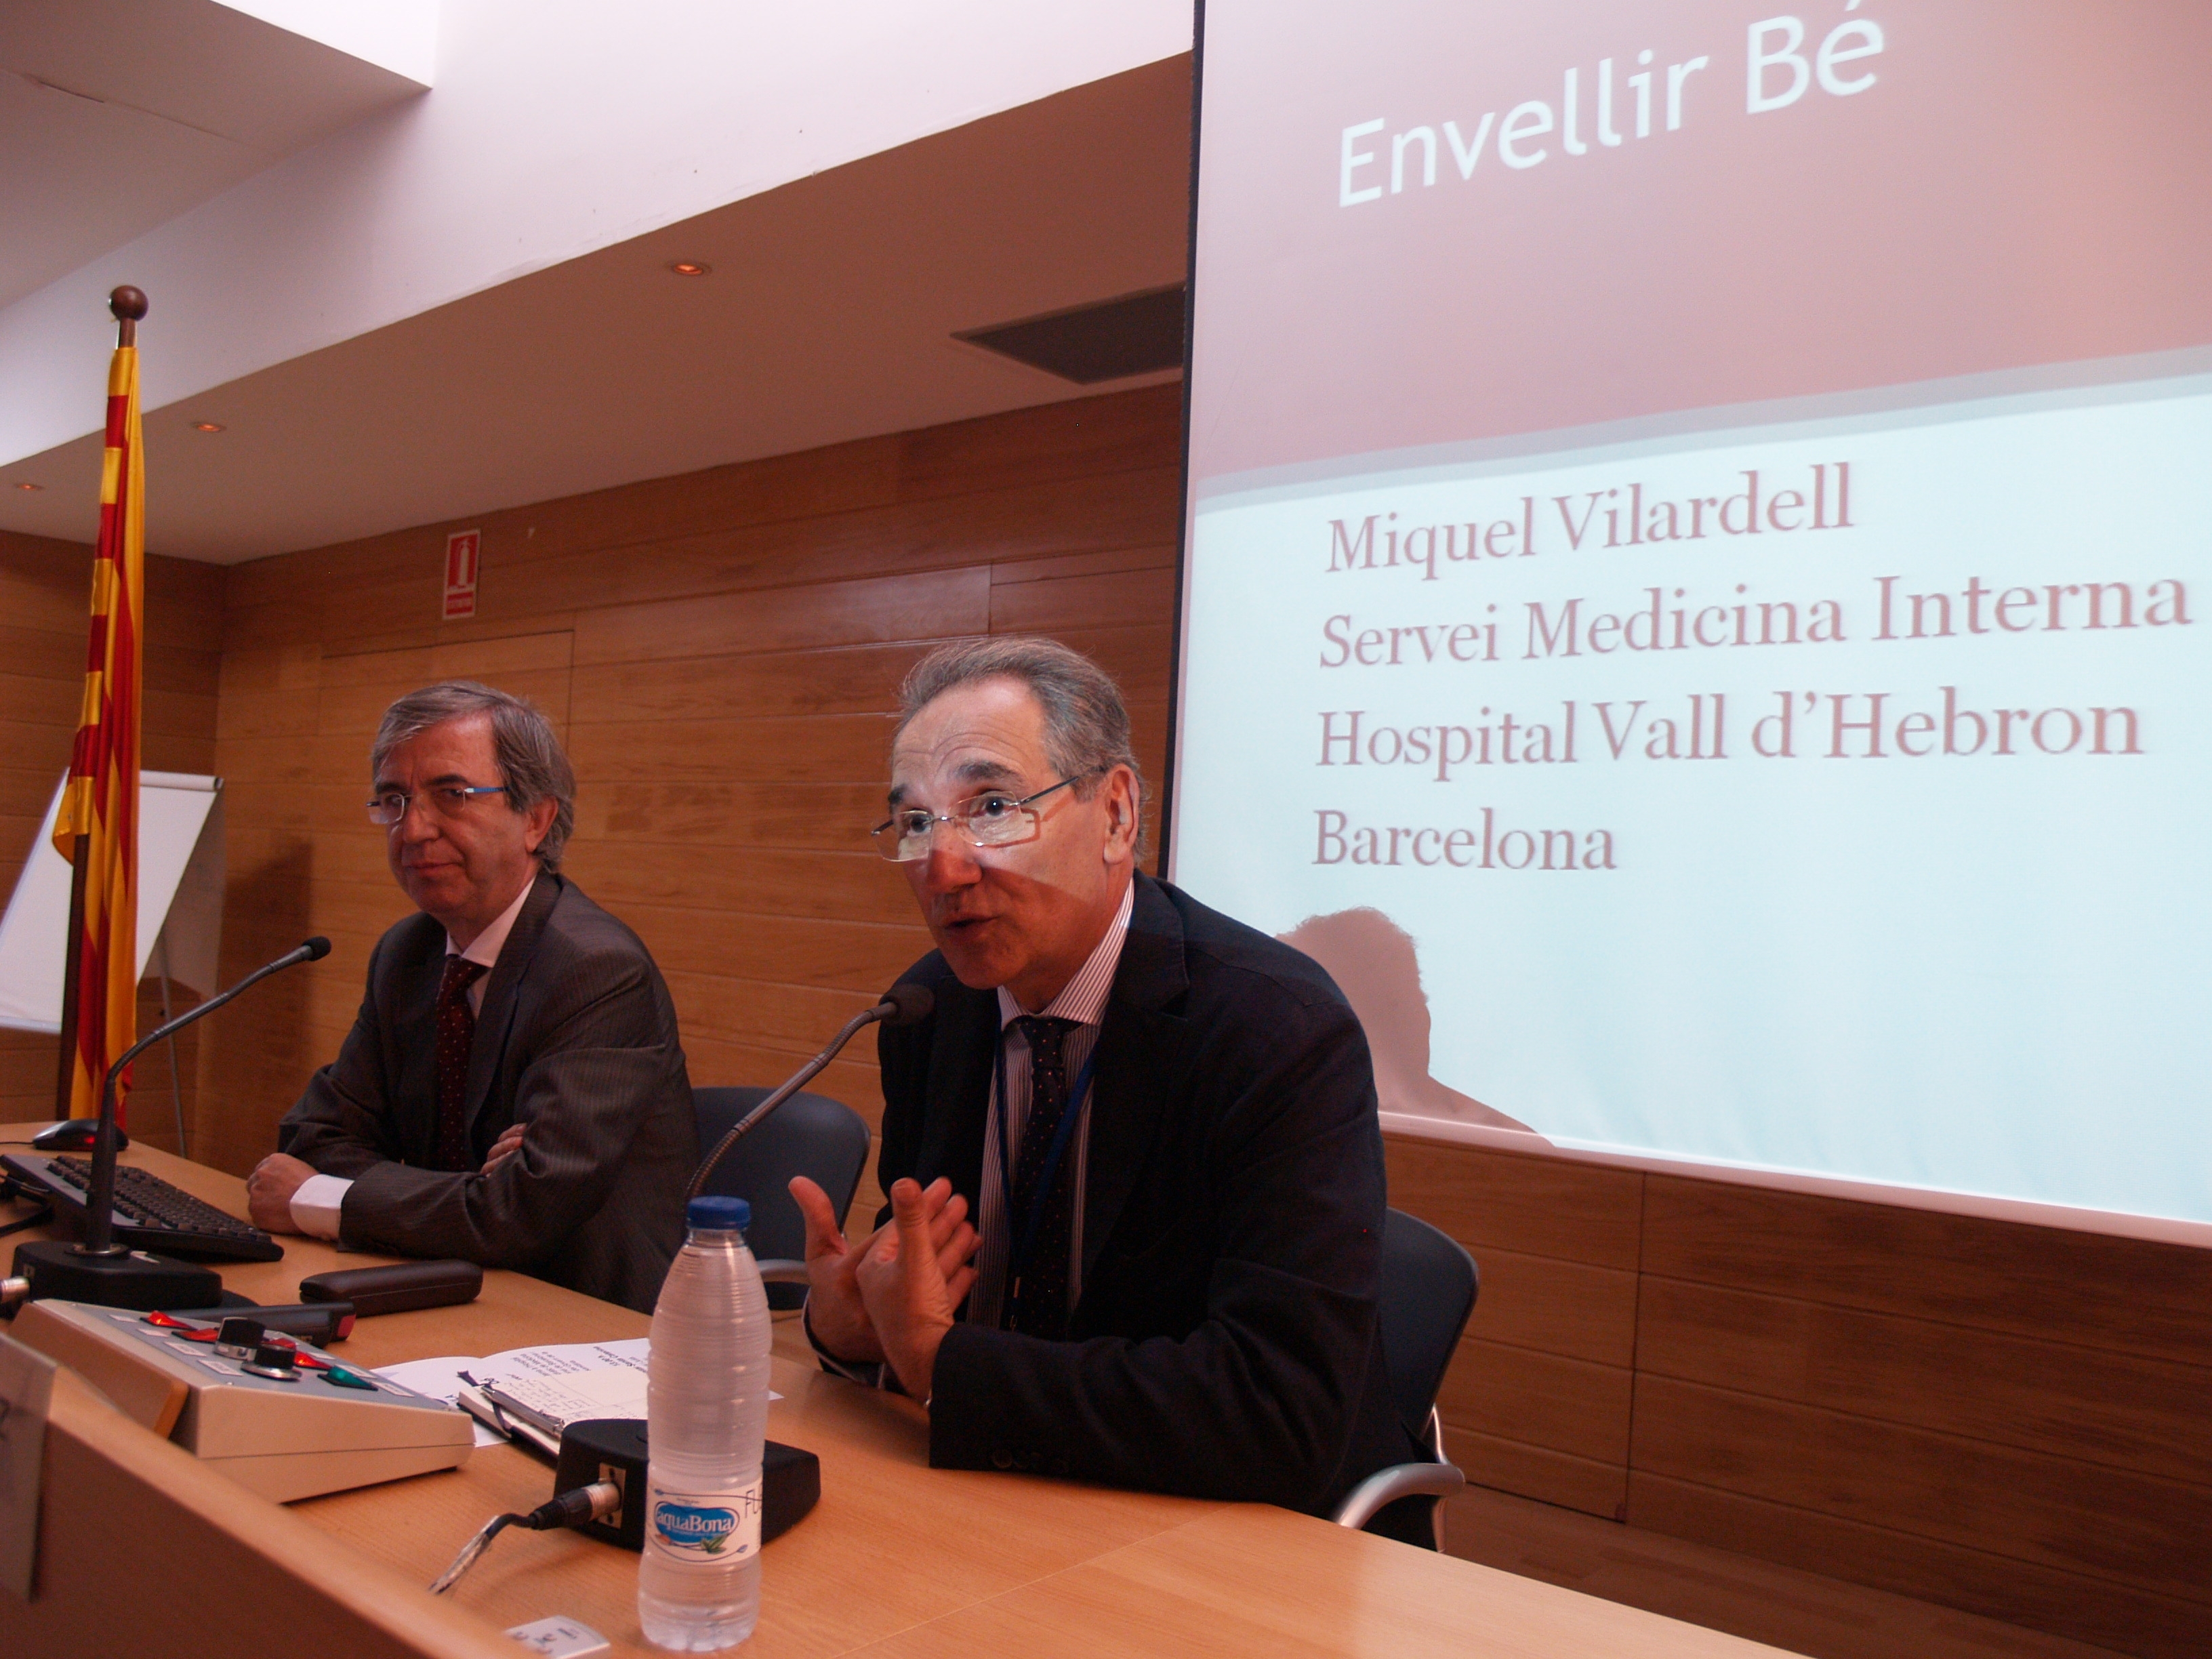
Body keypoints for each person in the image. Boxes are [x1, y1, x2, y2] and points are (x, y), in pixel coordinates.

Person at [790, 638, 1424, 1530]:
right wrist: (847, 1325)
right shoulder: (930, 1010)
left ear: (1118, 815)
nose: (943, 867)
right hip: (996, 1496)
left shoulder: (1276, 1027)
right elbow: (927, 1290)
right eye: (918, 823)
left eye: (993, 808)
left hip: (1236, 1534)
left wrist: (940, 1361)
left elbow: (1280, 1409)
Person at [245, 682, 696, 1313]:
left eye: (451, 795)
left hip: (581, 1316)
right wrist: (465, 1199)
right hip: (448, 1283)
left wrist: (325, 1199)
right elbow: (314, 1137)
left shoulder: (597, 970)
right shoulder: (408, 953)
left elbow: (522, 1212)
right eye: (394, 800)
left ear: (536, 819)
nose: (413, 829)